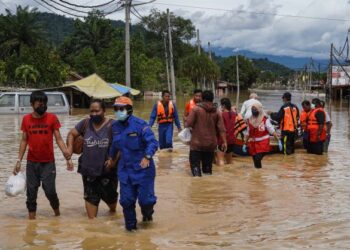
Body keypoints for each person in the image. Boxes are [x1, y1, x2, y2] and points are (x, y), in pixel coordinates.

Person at [13, 91, 71, 220]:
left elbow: (59, 138)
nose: (42, 105)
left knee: (50, 191)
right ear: (32, 104)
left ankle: (57, 215)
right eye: (39, 103)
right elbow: (24, 140)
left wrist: (67, 156)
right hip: (31, 163)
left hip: (48, 162)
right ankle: (31, 221)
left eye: (44, 102)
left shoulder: (52, 118)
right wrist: (18, 160)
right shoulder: (26, 119)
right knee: (31, 193)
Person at [109, 96, 158, 231]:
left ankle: (147, 216)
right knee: (126, 201)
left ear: (129, 109)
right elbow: (115, 145)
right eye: (116, 109)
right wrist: (110, 157)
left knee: (145, 201)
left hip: (143, 169)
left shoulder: (141, 125)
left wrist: (147, 156)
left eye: (121, 109)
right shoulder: (115, 127)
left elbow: (153, 142)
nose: (118, 111)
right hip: (125, 171)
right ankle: (131, 230)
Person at [66, 100, 117, 219]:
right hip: (88, 171)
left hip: (107, 171)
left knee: (111, 200)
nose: (94, 114)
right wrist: (69, 149)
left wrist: (113, 160)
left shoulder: (112, 125)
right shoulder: (85, 123)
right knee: (91, 213)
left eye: (97, 111)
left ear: (104, 111)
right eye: (91, 111)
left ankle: (112, 212)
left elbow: (120, 144)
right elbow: (71, 134)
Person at [185, 90, 227, 176]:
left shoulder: (195, 109)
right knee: (207, 171)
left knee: (195, 169)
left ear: (202, 98)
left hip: (197, 144)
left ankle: (198, 187)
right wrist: (224, 142)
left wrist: (186, 119)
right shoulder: (217, 111)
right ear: (212, 99)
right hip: (210, 145)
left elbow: (188, 124)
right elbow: (221, 129)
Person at [244, 103, 280, 169]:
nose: (253, 110)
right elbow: (248, 133)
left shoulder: (265, 120)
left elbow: (271, 130)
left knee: (258, 158)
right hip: (253, 143)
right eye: (252, 109)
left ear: (259, 110)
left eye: (255, 109)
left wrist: (278, 140)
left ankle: (258, 173)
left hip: (263, 143)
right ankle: (257, 176)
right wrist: (245, 143)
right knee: (255, 160)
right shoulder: (249, 120)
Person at [216, 98, 236, 165]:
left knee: (220, 159)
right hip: (232, 139)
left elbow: (219, 128)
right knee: (229, 161)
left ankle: (222, 174)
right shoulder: (234, 114)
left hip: (223, 140)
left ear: (223, 105)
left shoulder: (221, 115)